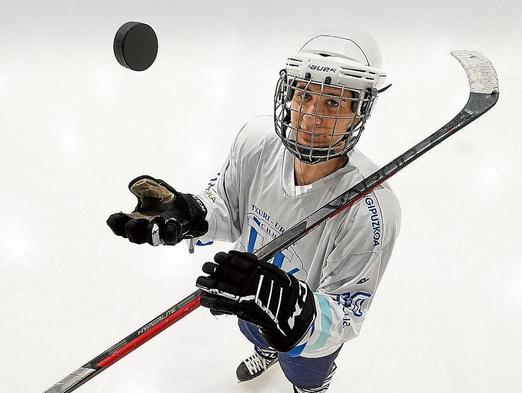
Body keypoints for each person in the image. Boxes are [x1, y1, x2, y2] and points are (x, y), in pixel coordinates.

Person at [107, 30, 401, 393]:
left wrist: (296, 313)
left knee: (306, 379)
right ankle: (266, 350)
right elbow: (226, 209)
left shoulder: (372, 209)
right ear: (288, 94)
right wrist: (190, 215)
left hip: (306, 338)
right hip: (247, 296)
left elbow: (346, 313)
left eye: (333, 104)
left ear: (359, 112)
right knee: (257, 332)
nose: (311, 116)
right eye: (305, 94)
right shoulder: (257, 140)